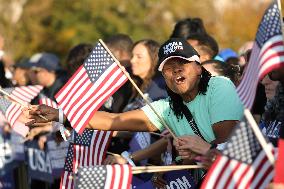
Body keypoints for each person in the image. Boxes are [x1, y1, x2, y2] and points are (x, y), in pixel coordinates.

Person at [24, 38, 243, 173]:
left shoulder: (219, 86)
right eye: (169, 67)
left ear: (197, 67)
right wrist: (59, 115)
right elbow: (112, 121)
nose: (176, 70)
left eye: (182, 63)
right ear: (164, 76)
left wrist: (200, 151)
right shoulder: (166, 107)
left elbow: (224, 145)